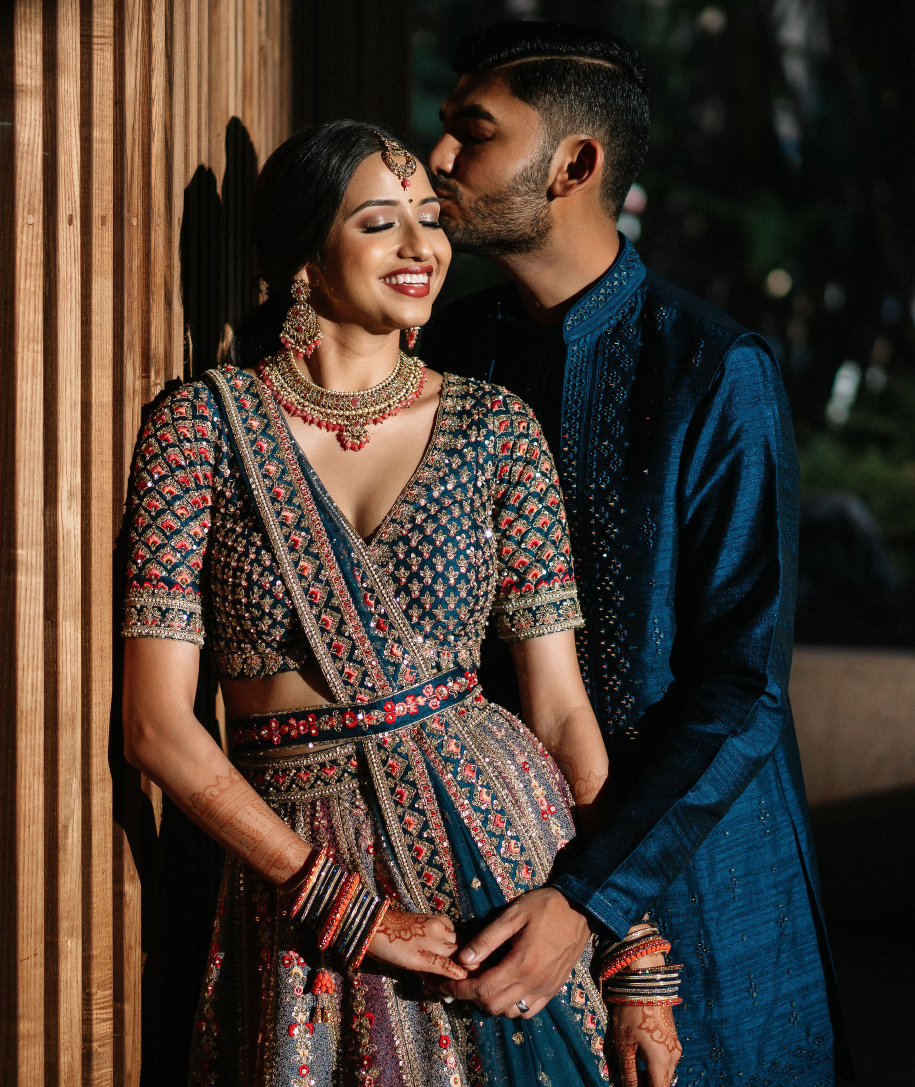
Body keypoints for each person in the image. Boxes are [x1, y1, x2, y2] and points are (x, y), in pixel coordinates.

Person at [121, 120, 683, 1086]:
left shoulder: (495, 429)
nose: (422, 248)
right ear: (306, 253)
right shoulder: (201, 429)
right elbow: (156, 726)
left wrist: (628, 940)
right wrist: (339, 905)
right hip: (307, 882)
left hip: (508, 851)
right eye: (382, 223)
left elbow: (556, 708)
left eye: (430, 220)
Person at [418, 21, 852, 1085]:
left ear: (573, 164)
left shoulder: (714, 371)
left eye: (471, 133)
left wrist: (591, 899)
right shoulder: (446, 354)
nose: (437, 162)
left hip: (701, 876)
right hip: (489, 862)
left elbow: (743, 683)